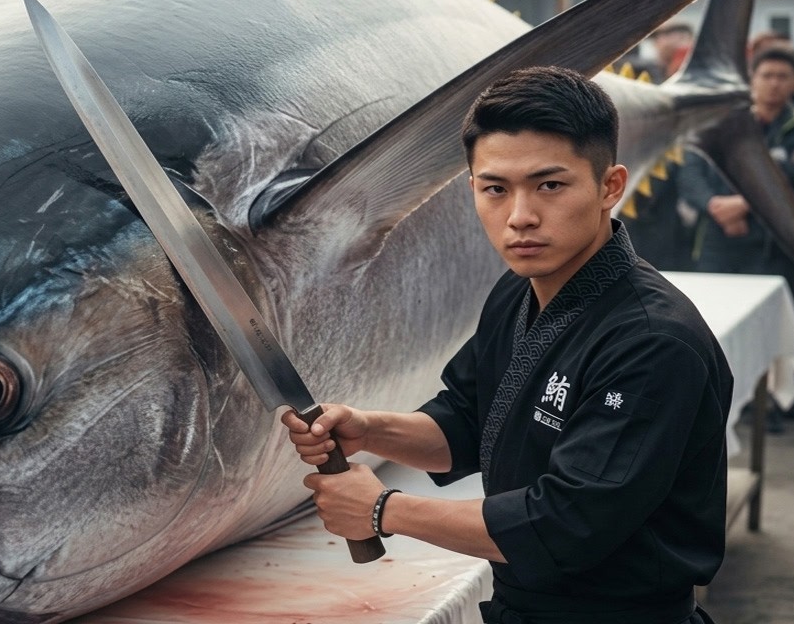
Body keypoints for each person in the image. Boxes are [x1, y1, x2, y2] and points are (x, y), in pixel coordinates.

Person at [284, 67, 731, 624]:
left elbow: (566, 524)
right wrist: (370, 430)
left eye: (550, 185)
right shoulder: (518, 291)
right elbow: (468, 421)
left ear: (610, 186)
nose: (520, 217)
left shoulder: (652, 343)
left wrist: (382, 510)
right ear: (472, 188)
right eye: (496, 189)